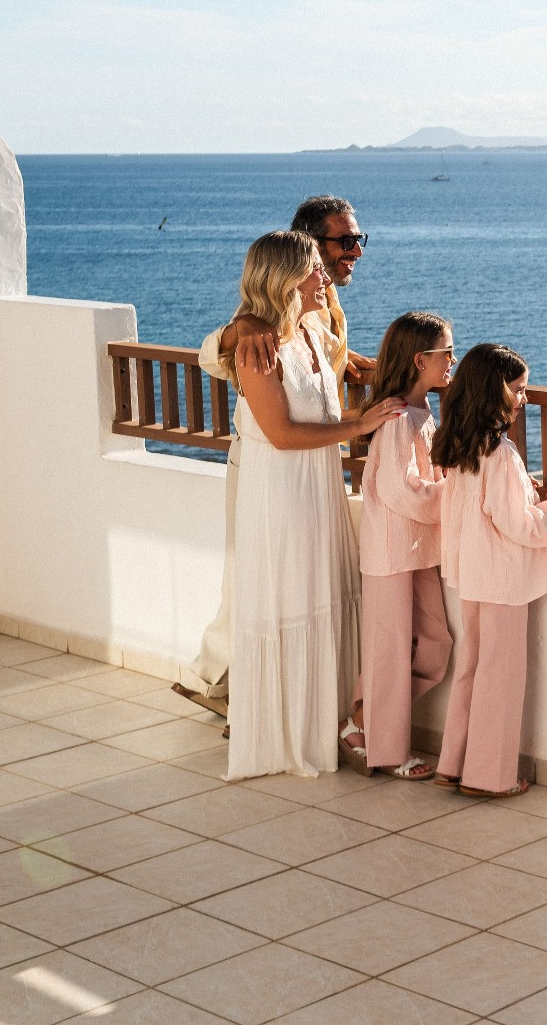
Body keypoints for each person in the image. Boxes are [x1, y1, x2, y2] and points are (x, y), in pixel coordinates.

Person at [180, 196, 398, 710]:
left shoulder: (321, 305)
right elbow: (212, 357)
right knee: (255, 587)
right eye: (345, 241)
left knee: (288, 589)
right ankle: (234, 696)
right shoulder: (258, 317)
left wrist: (348, 361)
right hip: (268, 466)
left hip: (312, 463)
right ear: (311, 248)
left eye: (358, 239)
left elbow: (310, 354)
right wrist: (237, 330)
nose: (356, 251)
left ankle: (259, 697)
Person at [222, 231, 390, 780]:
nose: (325, 278)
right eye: (314, 269)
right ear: (285, 279)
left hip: (319, 487)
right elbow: (282, 433)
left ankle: (328, 724)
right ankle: (288, 736)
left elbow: (330, 398)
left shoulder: (315, 333)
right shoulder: (255, 348)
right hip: (282, 495)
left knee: (324, 595)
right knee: (293, 599)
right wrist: (361, 425)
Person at [430, 344, 547, 797]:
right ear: (497, 392)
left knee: (472, 669)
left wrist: (522, 491)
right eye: (520, 390)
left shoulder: (461, 446)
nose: (525, 398)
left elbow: (483, 504)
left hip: (472, 574)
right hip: (502, 581)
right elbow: (518, 524)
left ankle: (454, 764)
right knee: (501, 676)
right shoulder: (501, 453)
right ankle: (489, 777)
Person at [341, 311, 455, 779]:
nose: (452, 360)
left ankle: (362, 719)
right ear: (419, 360)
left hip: (419, 546)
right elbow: (400, 489)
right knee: (389, 650)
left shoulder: (420, 411)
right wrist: (455, 493)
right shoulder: (396, 419)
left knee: (434, 644)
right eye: (446, 352)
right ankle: (387, 750)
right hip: (391, 549)